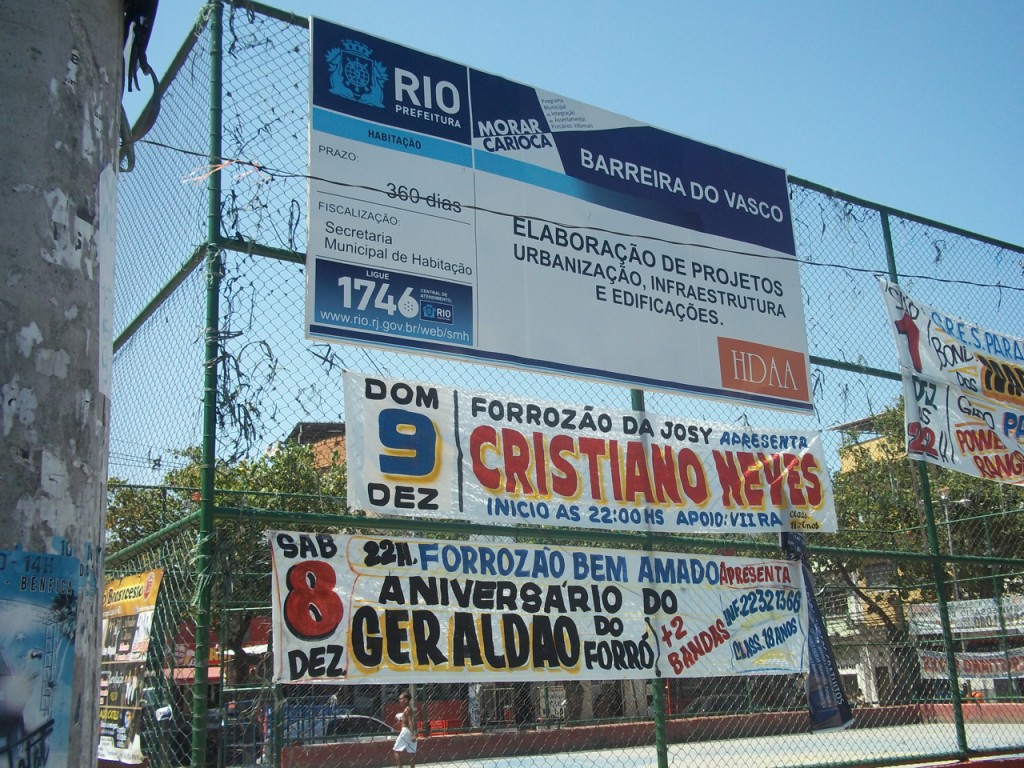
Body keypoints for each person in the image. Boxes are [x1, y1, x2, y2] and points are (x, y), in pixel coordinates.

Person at [392, 691, 417, 768]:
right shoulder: (408, 709)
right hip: (410, 731)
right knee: (411, 752)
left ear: (406, 699)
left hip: (406, 731)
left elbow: (410, 722)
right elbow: (407, 721)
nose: (400, 701)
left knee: (396, 750)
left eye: (401, 699)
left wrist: (412, 735)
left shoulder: (407, 709)